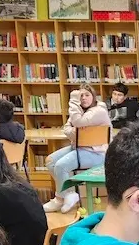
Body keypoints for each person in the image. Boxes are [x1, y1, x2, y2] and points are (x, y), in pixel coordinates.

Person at [42, 84, 110, 214]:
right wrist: (77, 131)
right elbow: (67, 129)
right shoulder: (78, 111)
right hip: (79, 147)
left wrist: (73, 102)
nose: (83, 98)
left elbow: (78, 122)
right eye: (80, 96)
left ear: (93, 96)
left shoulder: (99, 110)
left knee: (61, 166)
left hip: (96, 153)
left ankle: (59, 198)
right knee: (50, 161)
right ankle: (68, 194)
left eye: (87, 95)